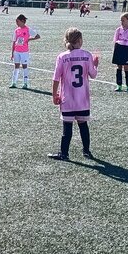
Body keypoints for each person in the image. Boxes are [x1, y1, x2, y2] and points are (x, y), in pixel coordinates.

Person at [48, 27, 98, 160]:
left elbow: (56, 78)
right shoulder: (87, 55)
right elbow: (93, 75)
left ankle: (64, 153)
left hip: (68, 99)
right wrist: (96, 64)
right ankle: (86, 151)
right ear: (80, 40)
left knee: (67, 128)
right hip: (83, 99)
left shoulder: (62, 57)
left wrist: (54, 95)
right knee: (83, 126)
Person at [10, 14, 41, 89]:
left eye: (17, 21)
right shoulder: (16, 30)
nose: (16, 23)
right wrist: (12, 53)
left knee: (24, 66)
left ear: (22, 21)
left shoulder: (28, 29)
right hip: (17, 51)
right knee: (16, 66)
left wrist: (29, 39)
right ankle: (14, 82)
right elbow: (14, 41)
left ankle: (25, 83)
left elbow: (37, 36)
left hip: (24, 52)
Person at [111, 13, 128, 93]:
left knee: (126, 68)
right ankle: (119, 85)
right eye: (121, 20)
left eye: (123, 20)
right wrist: (114, 52)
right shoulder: (118, 30)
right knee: (119, 67)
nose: (122, 22)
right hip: (119, 48)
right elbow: (115, 41)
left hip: (126, 49)